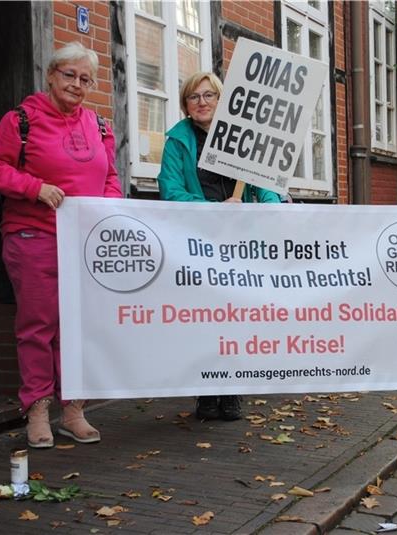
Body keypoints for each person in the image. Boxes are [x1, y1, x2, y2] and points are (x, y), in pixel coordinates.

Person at [0, 42, 122, 448]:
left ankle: (73, 411)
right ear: (52, 75)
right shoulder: (21, 120)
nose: (77, 84)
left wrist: (106, 207)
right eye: (69, 75)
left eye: (85, 78)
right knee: (38, 327)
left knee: (77, 327)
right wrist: (34, 187)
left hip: (83, 241)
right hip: (32, 235)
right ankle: (38, 410)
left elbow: (110, 176)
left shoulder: (99, 126)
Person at [158, 71, 281, 421]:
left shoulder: (243, 139)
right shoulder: (177, 142)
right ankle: (206, 390)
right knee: (205, 316)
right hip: (199, 241)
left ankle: (232, 389)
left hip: (241, 240)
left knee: (237, 314)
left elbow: (266, 187)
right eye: (194, 97)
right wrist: (214, 210)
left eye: (210, 95)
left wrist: (270, 212)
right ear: (185, 105)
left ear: (222, 100)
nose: (202, 102)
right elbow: (170, 191)